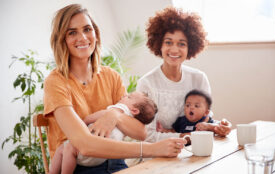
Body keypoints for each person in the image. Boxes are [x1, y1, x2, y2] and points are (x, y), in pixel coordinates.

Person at [44, 4, 186, 174]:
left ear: (95, 34)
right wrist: (153, 148)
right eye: (72, 32)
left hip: (115, 163)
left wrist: (113, 115)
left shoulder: (111, 76)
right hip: (78, 167)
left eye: (87, 29)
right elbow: (84, 145)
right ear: (62, 39)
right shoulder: (56, 82)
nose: (82, 37)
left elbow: (140, 131)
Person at [136, 7, 232, 143]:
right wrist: (186, 137)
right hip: (160, 154)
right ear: (159, 45)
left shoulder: (199, 78)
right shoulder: (147, 83)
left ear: (190, 48)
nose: (174, 49)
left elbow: (205, 119)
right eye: (168, 42)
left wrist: (219, 127)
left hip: (196, 149)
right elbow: (147, 135)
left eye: (181, 44)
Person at [50, 91, 157, 174]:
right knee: (67, 149)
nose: (124, 96)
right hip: (103, 155)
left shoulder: (120, 108)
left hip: (93, 150)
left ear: (134, 110)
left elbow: (100, 114)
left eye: (129, 97)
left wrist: (85, 121)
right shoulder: (130, 119)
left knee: (66, 148)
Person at [157, 89, 225, 137]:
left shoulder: (207, 121)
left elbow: (218, 129)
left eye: (196, 106)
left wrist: (209, 127)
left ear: (206, 112)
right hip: (183, 151)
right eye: (188, 105)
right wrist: (163, 130)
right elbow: (173, 131)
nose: (191, 108)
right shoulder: (181, 121)